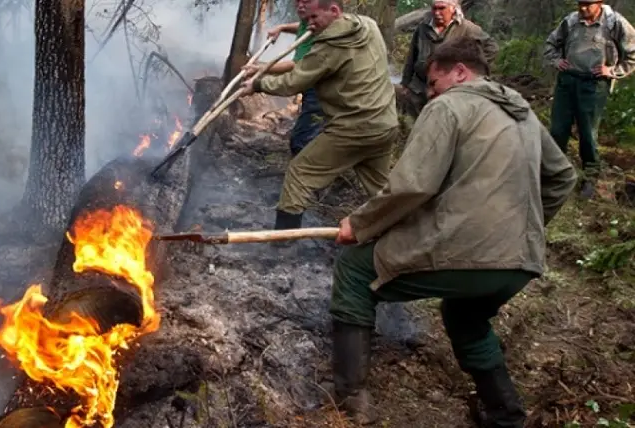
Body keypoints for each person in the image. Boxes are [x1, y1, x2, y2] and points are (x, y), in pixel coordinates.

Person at [326, 37, 577, 426]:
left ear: (460, 72)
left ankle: (349, 401)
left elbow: (414, 184)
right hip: (521, 261)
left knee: (354, 270)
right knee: (465, 316)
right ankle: (506, 415)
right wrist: (524, 228)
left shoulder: (449, 105)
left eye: (432, 82)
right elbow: (561, 177)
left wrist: (359, 225)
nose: (428, 93)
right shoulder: (522, 111)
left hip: (467, 254)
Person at [240, 0, 401, 231]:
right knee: (382, 190)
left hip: (354, 128)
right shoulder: (368, 25)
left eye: (314, 18)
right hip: (385, 124)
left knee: (299, 173)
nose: (310, 25)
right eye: (307, 20)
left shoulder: (329, 47)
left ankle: (283, 241)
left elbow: (293, 83)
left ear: (334, 11)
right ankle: (404, 233)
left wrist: (257, 84)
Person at [543, 0, 635, 199]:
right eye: (580, 4)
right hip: (567, 81)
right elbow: (551, 44)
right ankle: (553, 174)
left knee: (587, 133)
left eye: (588, 5)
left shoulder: (615, 23)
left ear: (599, 3)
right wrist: (557, 60)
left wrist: (612, 70)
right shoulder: (571, 21)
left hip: (594, 85)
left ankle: (590, 177)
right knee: (558, 130)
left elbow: (632, 54)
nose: (583, 9)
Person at [244, 0, 325, 157]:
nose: (300, 5)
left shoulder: (319, 29)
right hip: (314, 88)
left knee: (301, 141)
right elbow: (301, 27)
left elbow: (297, 65)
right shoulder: (309, 20)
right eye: (298, 1)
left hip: (320, 91)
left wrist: (261, 69)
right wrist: (283, 27)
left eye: (306, 2)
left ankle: (304, 171)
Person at [397, 0, 498, 118]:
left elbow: (492, 48)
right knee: (416, 121)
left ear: (453, 9)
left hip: (448, 89)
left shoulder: (466, 28)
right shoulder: (423, 27)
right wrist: (405, 82)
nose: (437, 12)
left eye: (441, 8)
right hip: (420, 87)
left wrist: (471, 67)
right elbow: (412, 55)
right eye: (434, 8)